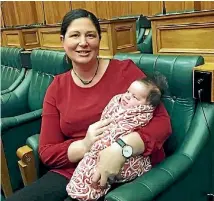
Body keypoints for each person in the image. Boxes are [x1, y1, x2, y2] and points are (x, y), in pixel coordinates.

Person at [6, 9, 171, 201]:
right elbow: (47, 152)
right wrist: (85, 145)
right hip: (72, 169)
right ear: (63, 41)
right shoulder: (57, 86)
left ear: (99, 40)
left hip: (123, 171)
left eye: (90, 35)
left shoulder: (125, 71)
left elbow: (162, 123)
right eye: (75, 35)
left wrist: (121, 149)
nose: (83, 43)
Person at [67, 77, 166, 201]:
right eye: (128, 92)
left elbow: (122, 130)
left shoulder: (140, 114)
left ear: (148, 105)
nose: (127, 97)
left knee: (96, 174)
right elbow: (106, 120)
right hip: (91, 147)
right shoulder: (117, 102)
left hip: (127, 156)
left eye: (135, 97)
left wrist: (114, 147)